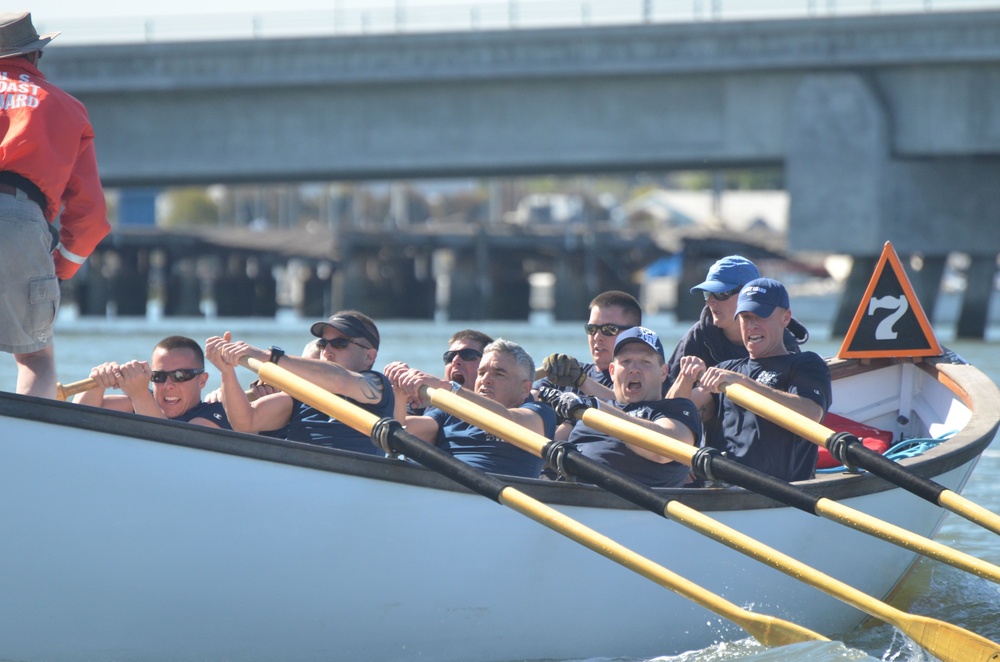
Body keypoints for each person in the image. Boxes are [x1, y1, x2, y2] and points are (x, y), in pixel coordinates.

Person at [0, 12, 110, 398]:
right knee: (35, 358)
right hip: (19, 217)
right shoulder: (65, 108)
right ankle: (27, 454)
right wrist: (59, 266)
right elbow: (91, 215)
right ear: (33, 56)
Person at [667, 278, 832, 482]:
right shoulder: (725, 370)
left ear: (785, 318)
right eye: (745, 317)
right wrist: (684, 378)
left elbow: (811, 414)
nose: (751, 326)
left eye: (760, 316)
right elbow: (672, 418)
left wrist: (745, 383)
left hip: (780, 495)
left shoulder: (806, 364)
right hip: (719, 492)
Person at [206, 310, 393, 457]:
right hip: (300, 479)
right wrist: (227, 373)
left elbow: (341, 380)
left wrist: (268, 357)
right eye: (322, 344)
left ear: (369, 356)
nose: (327, 351)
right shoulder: (299, 392)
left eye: (340, 343)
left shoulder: (376, 386)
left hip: (351, 480)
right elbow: (246, 421)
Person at [541, 327, 701, 487]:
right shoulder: (591, 407)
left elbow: (664, 450)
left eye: (645, 362)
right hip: (567, 492)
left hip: (629, 503)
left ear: (663, 372)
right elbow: (540, 452)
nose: (634, 369)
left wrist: (597, 408)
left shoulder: (675, 409)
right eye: (625, 362)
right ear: (612, 371)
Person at [391, 338, 556, 478]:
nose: (485, 380)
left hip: (496, 495)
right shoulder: (452, 410)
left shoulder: (539, 412)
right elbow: (400, 433)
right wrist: (399, 394)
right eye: (481, 373)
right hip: (440, 485)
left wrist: (449, 388)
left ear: (525, 389)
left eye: (499, 374)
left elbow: (508, 421)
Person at [665, 255, 808, 390]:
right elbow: (666, 395)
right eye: (707, 293)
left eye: (721, 294)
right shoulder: (697, 337)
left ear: (748, 295)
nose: (709, 301)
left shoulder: (784, 344)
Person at [535, 290, 643, 439]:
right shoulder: (565, 370)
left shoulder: (640, 380)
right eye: (591, 329)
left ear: (634, 334)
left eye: (609, 330)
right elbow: (526, 396)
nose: (597, 337)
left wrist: (581, 381)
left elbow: (628, 411)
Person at [73, 335, 230, 429]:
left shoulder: (214, 413)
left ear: (202, 381)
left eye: (180, 375)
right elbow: (77, 417)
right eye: (159, 376)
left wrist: (139, 395)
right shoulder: (139, 402)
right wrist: (97, 383)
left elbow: (175, 447)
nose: (168, 385)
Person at [383, 328, 493, 416]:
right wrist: (400, 393)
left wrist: (444, 386)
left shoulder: (500, 408)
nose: (455, 361)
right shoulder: (429, 406)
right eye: (450, 357)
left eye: (468, 355)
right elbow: (404, 428)